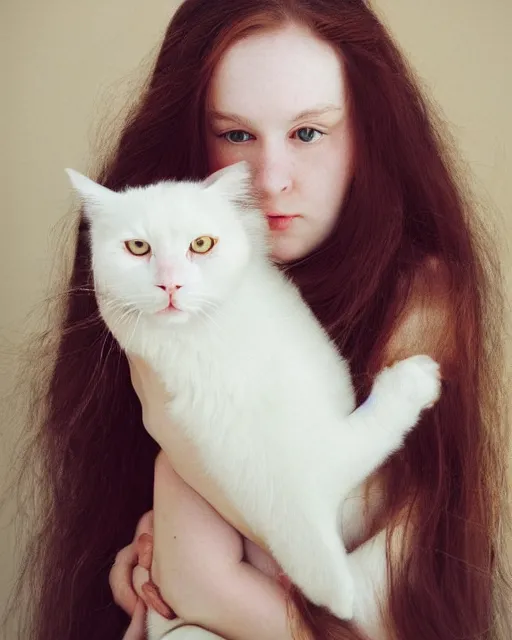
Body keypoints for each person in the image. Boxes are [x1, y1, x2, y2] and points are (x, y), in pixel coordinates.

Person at [10, 1, 511, 639]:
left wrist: (190, 524)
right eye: (237, 135)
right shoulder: (154, 275)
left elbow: (391, 593)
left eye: (308, 133)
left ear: (369, 133)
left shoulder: (423, 297)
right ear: (195, 134)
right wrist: (142, 550)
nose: (270, 180)